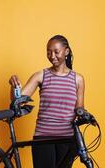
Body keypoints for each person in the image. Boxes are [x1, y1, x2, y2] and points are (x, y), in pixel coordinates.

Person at [9, 35, 85, 168]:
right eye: (48, 52)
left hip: (67, 138)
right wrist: (13, 86)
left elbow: (79, 108)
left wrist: (84, 114)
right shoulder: (41, 76)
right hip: (43, 138)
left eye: (56, 51)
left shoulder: (78, 79)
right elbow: (17, 101)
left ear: (66, 51)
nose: (52, 56)